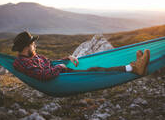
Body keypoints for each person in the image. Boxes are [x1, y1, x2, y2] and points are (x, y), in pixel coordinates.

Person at [12, 31, 150, 82]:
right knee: (95, 71)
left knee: (95, 67)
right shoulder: (24, 63)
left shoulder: (32, 58)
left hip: (64, 73)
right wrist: (59, 68)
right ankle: (134, 68)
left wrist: (67, 59)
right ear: (26, 47)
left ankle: (133, 65)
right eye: (33, 44)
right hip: (63, 79)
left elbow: (50, 63)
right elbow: (43, 75)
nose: (35, 46)